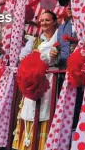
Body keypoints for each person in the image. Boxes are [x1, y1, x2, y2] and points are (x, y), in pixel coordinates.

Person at [12, 10, 59, 150]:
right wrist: (34, 58)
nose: (43, 23)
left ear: (55, 21)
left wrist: (54, 56)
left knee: (47, 112)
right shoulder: (35, 40)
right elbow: (22, 57)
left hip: (51, 81)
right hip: (34, 81)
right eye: (42, 20)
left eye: (47, 20)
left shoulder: (59, 38)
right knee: (31, 111)